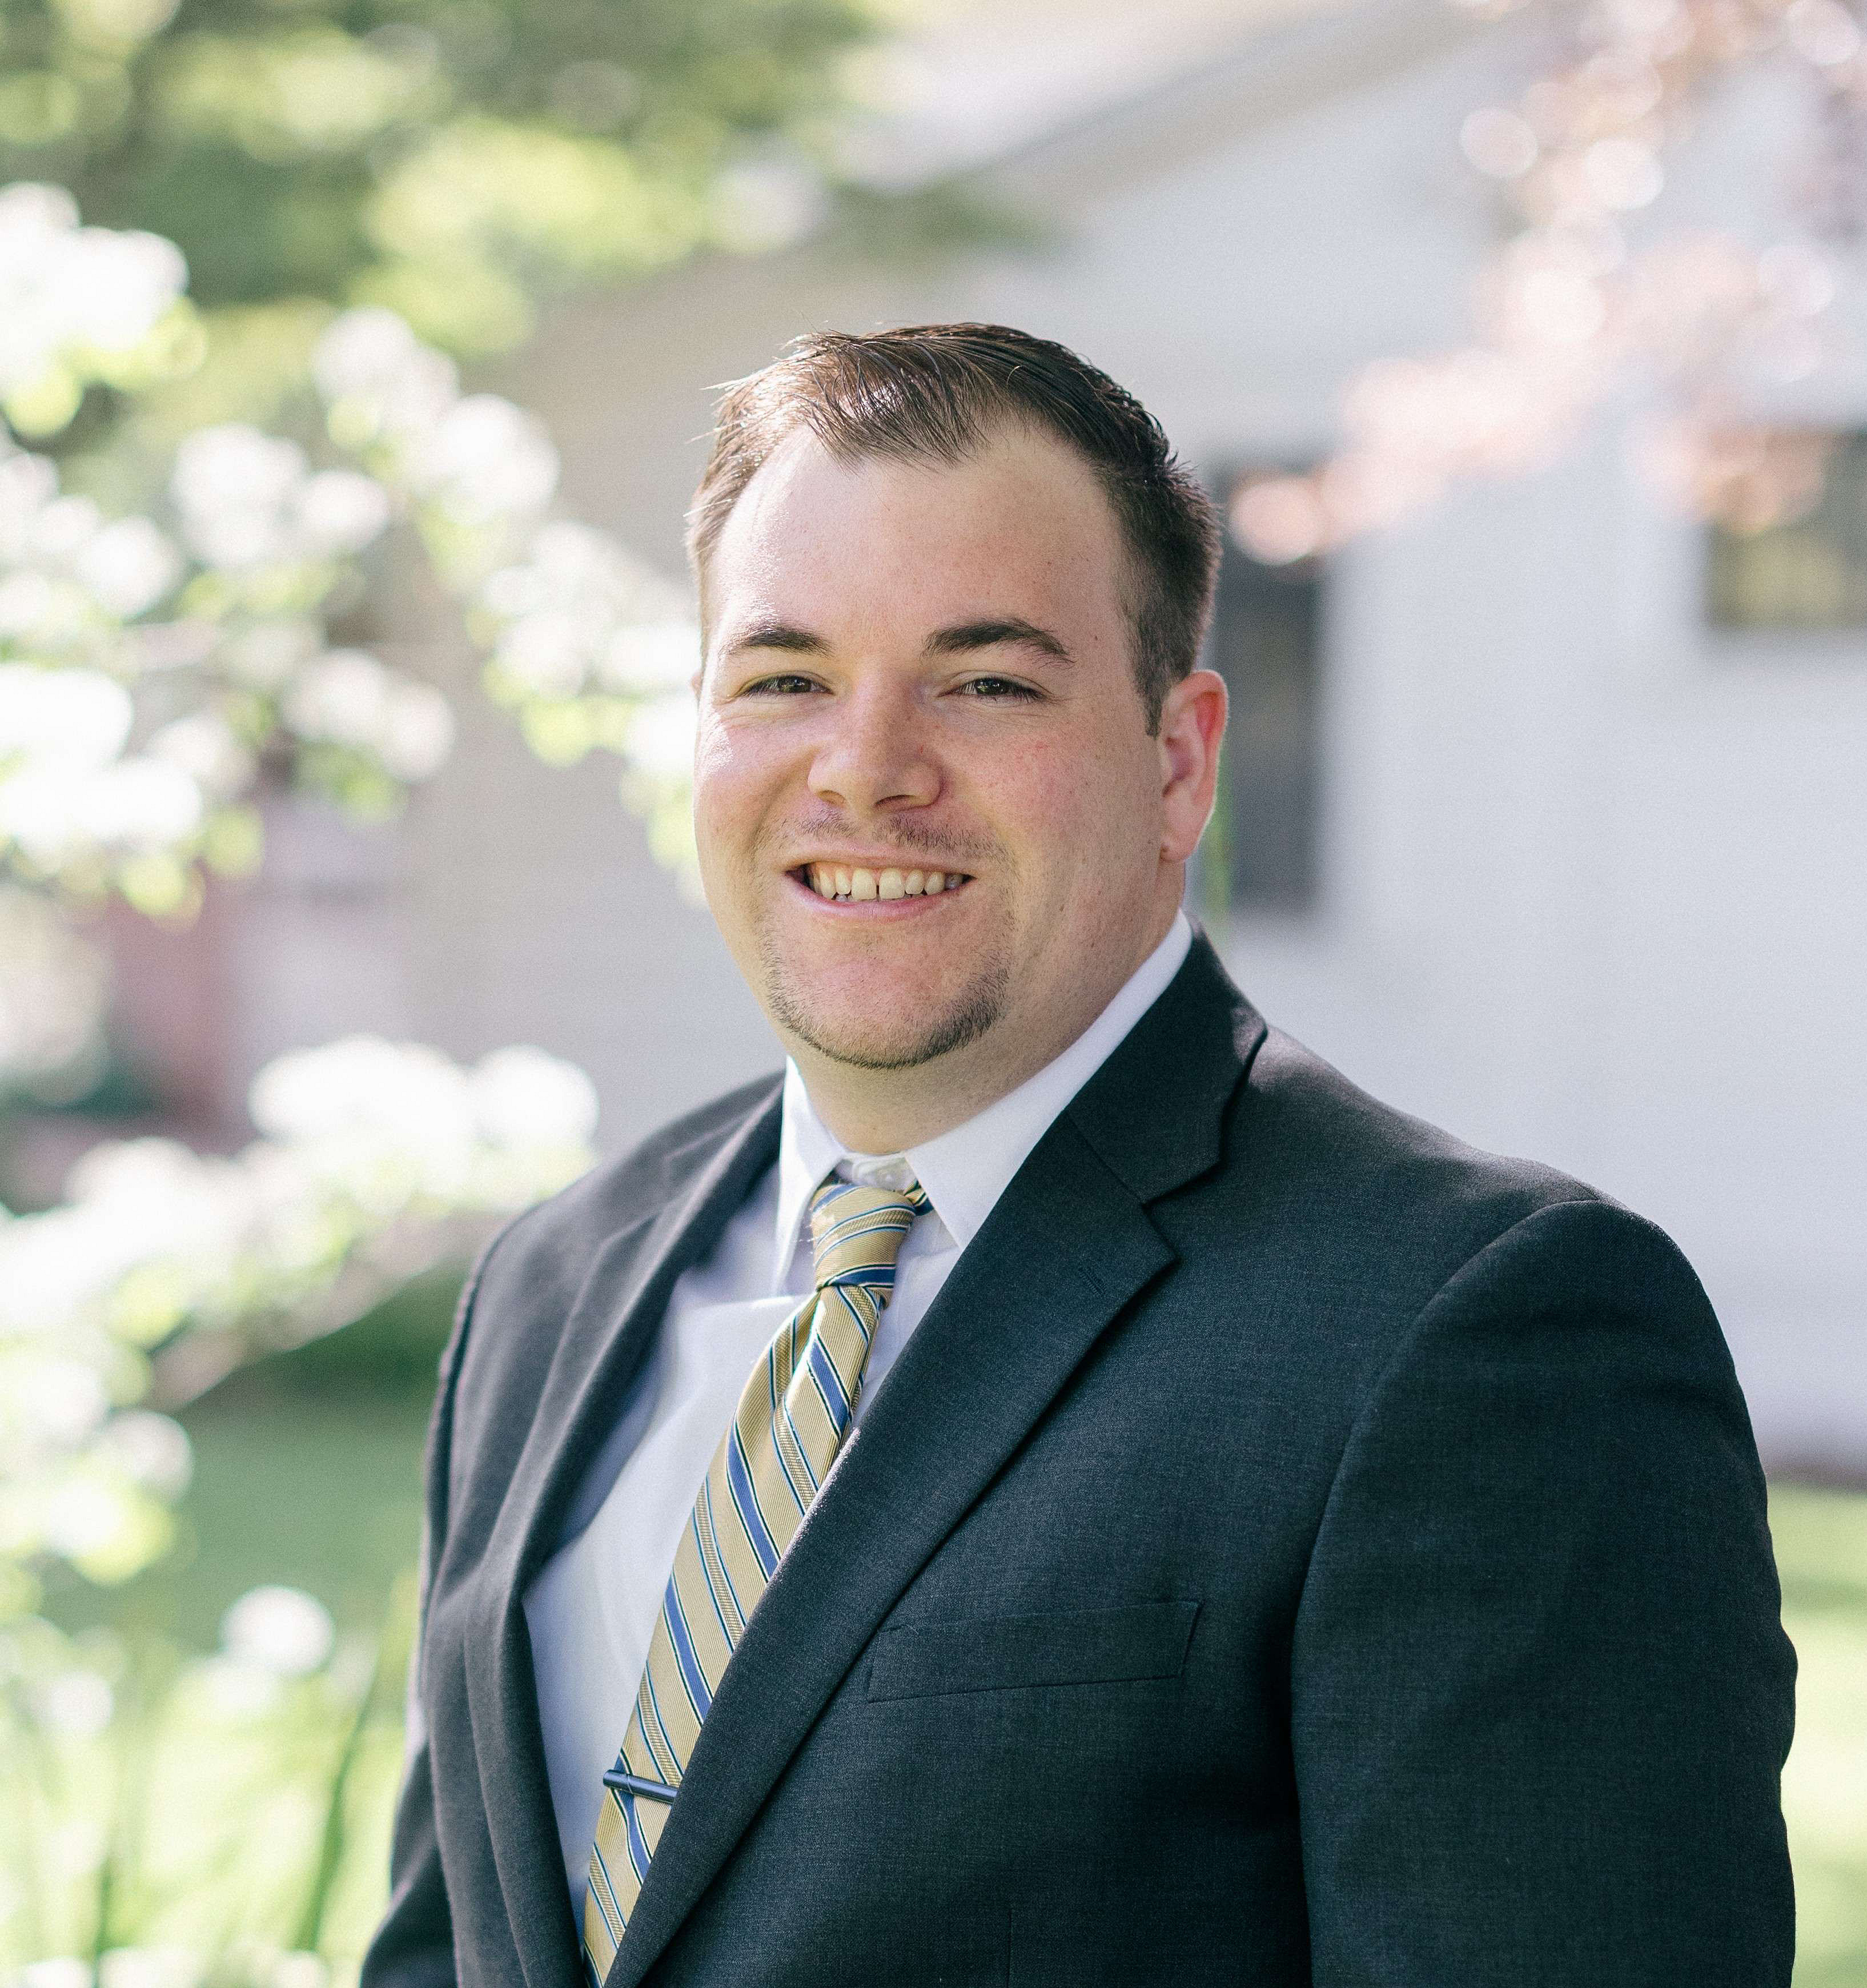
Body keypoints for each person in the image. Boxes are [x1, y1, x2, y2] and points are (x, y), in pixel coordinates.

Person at [362, 324, 1794, 1988]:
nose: (866, 766)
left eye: (985, 681)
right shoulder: (554, 1288)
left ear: (1177, 760)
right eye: (784, 676)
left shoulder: (1476, 1334)